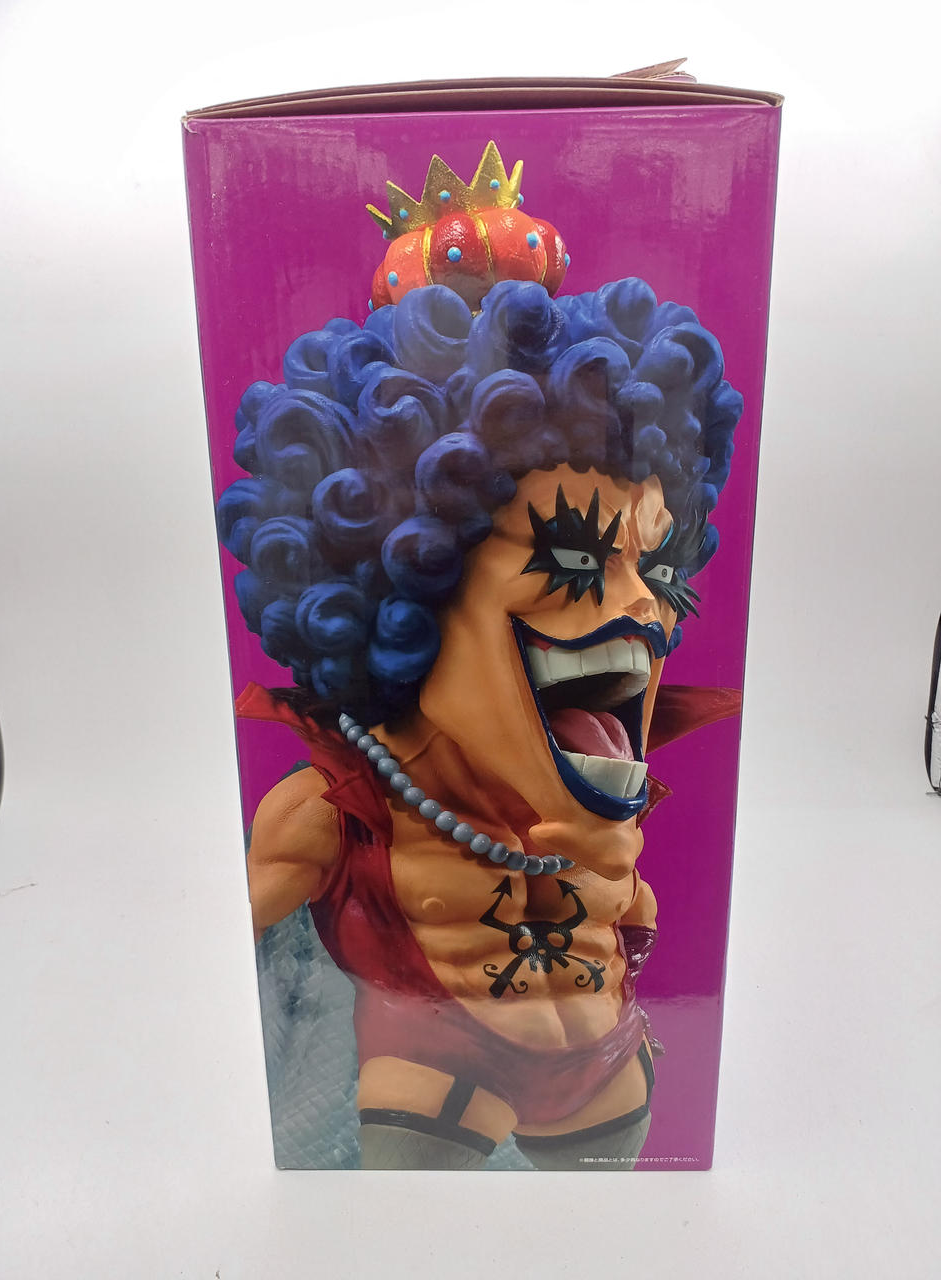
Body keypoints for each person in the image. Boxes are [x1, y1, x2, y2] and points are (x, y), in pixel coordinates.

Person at [217, 143, 742, 1169]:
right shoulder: (328, 812)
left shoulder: (605, 789)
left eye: (650, 561)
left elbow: (635, 918)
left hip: (604, 1064)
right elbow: (217, 964)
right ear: (409, 581)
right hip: (432, 1064)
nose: (642, 604)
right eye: (580, 556)